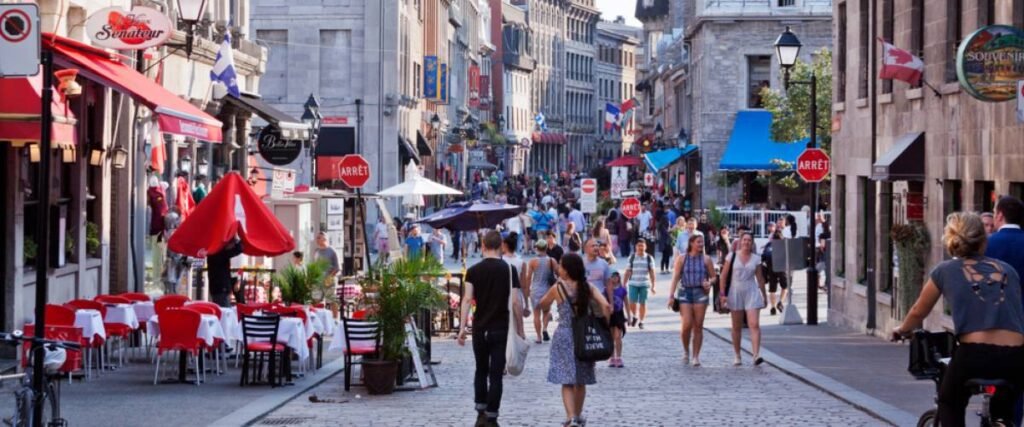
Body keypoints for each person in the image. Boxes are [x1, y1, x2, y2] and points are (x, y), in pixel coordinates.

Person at [894, 212, 1024, 426]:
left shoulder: (945, 270)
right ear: (984, 239)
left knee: (950, 401)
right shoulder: (1007, 270)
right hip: (1016, 357)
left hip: (975, 354)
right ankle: (1002, 420)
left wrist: (902, 330)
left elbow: (918, 311)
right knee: (1005, 407)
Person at [457, 231, 525, 427]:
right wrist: (520, 329)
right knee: (496, 373)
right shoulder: (510, 270)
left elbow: (467, 299)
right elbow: (514, 302)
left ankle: (480, 410)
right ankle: (492, 414)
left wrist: (462, 328)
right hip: (501, 328)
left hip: (480, 328)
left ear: (483, 246)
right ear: (500, 247)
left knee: (480, 369)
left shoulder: (473, 270)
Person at [537, 253, 612, 427]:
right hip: (583, 336)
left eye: (561, 266)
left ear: (568, 269)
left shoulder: (558, 288)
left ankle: (570, 417)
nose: (559, 268)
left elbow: (542, 304)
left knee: (567, 380)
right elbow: (606, 306)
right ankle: (577, 416)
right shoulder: (588, 287)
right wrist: (604, 326)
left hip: (564, 335)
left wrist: (547, 304)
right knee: (581, 379)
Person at [719, 232, 767, 366]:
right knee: (736, 326)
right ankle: (737, 355)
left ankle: (756, 355)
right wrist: (723, 295)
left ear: (752, 243)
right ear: (740, 242)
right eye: (744, 240)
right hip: (735, 290)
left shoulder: (756, 259)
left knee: (754, 324)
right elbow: (723, 276)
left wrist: (764, 295)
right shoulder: (732, 256)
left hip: (751, 290)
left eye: (749, 240)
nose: (746, 242)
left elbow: (760, 278)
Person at [668, 234, 716, 366]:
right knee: (687, 324)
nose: (701, 245)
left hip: (701, 292)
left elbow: (714, 276)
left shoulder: (706, 259)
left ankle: (696, 356)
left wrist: (709, 282)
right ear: (691, 243)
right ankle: (685, 350)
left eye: (702, 242)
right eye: (698, 242)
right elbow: (676, 277)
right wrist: (671, 295)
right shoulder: (682, 259)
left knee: (698, 326)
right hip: (685, 292)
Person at [524, 240, 558, 343]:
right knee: (546, 312)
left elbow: (528, 277)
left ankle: (539, 337)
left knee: (536, 315)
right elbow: (558, 273)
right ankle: (545, 329)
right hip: (548, 290)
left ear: (537, 248)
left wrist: (527, 289)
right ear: (546, 248)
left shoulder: (532, 261)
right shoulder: (552, 260)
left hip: (535, 289)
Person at [623, 239, 656, 330]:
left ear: (645, 247)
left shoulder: (649, 258)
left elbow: (652, 272)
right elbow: (628, 271)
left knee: (643, 303)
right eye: (638, 246)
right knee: (631, 302)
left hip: (644, 284)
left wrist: (653, 285)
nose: (640, 247)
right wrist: (623, 284)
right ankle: (635, 315)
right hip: (633, 283)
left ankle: (642, 321)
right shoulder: (631, 257)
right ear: (635, 247)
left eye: (642, 246)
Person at [208, 237, 243, 307]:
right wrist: (236, 239)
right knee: (225, 312)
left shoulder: (214, 252)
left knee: (221, 310)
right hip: (221, 288)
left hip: (217, 288)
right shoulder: (220, 253)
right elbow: (239, 249)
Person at [762, 230, 788, 315]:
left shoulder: (769, 245)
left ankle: (772, 307)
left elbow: (763, 258)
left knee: (772, 289)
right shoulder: (784, 245)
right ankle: (780, 302)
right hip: (782, 268)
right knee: (785, 287)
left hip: (771, 268)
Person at [583, 238, 615, 306]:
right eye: (593, 246)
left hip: (601, 299)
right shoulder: (580, 264)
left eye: (596, 245)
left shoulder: (604, 264)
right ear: (585, 249)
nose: (596, 248)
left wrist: (611, 303)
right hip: (585, 300)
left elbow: (609, 284)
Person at [607, 271, 628, 368]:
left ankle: (619, 357)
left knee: (618, 336)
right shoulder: (606, 290)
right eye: (612, 276)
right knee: (610, 337)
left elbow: (626, 303)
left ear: (619, 278)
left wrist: (629, 315)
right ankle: (612, 358)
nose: (614, 278)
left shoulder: (622, 290)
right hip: (610, 315)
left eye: (616, 276)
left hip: (619, 314)